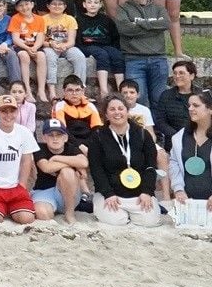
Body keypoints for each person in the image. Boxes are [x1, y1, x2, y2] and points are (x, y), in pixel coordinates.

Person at [88, 94, 160, 227]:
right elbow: (96, 169)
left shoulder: (143, 134)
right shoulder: (98, 137)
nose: (117, 112)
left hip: (140, 194)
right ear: (106, 114)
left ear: (127, 111)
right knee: (116, 221)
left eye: (121, 108)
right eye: (112, 109)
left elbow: (151, 166)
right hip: (111, 194)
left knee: (149, 222)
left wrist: (147, 192)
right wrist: (108, 194)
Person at [0, 95, 38, 224]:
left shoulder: (24, 132)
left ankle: (11, 208)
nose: (8, 115)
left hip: (15, 187)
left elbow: (27, 160)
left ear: (17, 111)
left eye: (12, 111)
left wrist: (22, 185)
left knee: (27, 218)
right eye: (4, 111)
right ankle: (1, 208)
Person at [116, 0, 170, 109]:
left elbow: (165, 23)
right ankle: (143, 130)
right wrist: (152, 25)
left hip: (159, 59)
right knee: (140, 102)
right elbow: (125, 29)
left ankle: (158, 130)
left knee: (160, 100)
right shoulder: (123, 9)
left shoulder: (158, 8)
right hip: (134, 60)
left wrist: (138, 23)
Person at [32, 118, 87, 224]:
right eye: (51, 135)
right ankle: (55, 210)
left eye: (59, 135)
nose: (55, 138)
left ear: (65, 137)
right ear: (44, 137)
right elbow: (46, 168)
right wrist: (71, 163)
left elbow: (84, 162)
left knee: (67, 172)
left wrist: (56, 159)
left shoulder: (71, 148)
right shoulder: (40, 148)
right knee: (43, 214)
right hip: (44, 191)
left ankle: (69, 214)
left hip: (68, 194)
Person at [75, 0, 124, 98]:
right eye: (89, 2)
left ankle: (121, 88)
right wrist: (81, 48)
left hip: (105, 45)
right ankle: (104, 91)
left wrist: (115, 49)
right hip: (87, 46)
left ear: (100, 5)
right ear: (84, 4)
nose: (92, 5)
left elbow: (115, 37)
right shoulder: (78, 19)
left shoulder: (106, 20)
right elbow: (77, 39)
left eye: (96, 2)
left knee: (117, 55)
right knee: (102, 54)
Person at [169, 92, 212, 207]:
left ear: (210, 109)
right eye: (189, 105)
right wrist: (178, 190)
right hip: (187, 204)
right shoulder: (179, 137)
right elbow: (174, 163)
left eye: (196, 105)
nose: (190, 108)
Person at [41, 0, 87, 101]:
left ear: (65, 6)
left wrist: (64, 46)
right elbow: (41, 40)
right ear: (48, 6)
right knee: (49, 56)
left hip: (66, 46)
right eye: (54, 4)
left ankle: (80, 89)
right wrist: (51, 44)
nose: (57, 6)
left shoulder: (70, 19)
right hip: (49, 46)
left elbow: (71, 41)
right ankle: (52, 91)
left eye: (60, 4)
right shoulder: (42, 19)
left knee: (79, 56)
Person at [9, 0, 48, 103]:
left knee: (41, 56)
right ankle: (27, 90)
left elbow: (40, 37)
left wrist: (35, 47)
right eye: (20, 5)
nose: (24, 7)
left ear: (32, 4)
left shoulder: (40, 19)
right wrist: (27, 48)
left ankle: (41, 90)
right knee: (24, 56)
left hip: (35, 45)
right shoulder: (16, 19)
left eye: (26, 4)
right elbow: (15, 38)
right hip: (21, 46)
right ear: (16, 8)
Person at [155, 60, 198, 151]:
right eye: (175, 73)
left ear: (192, 76)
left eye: (181, 73)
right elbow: (160, 120)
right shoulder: (166, 95)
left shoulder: (202, 95)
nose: (177, 76)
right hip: (173, 143)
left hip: (198, 141)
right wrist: (178, 135)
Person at [52, 74, 103, 146]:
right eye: (70, 90)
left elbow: (97, 128)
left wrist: (90, 146)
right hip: (68, 143)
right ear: (64, 91)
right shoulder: (60, 106)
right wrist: (79, 146)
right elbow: (62, 130)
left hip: (90, 142)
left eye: (77, 90)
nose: (74, 93)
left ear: (83, 91)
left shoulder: (90, 106)